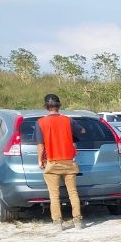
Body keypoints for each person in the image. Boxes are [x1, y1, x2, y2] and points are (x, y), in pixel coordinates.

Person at [36, 94, 85, 230]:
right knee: (73, 193)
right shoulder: (67, 120)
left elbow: (40, 144)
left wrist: (40, 160)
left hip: (52, 163)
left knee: (54, 195)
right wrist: (71, 137)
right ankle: (77, 221)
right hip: (69, 162)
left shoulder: (41, 122)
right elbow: (82, 131)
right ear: (59, 106)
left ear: (46, 107)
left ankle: (58, 223)